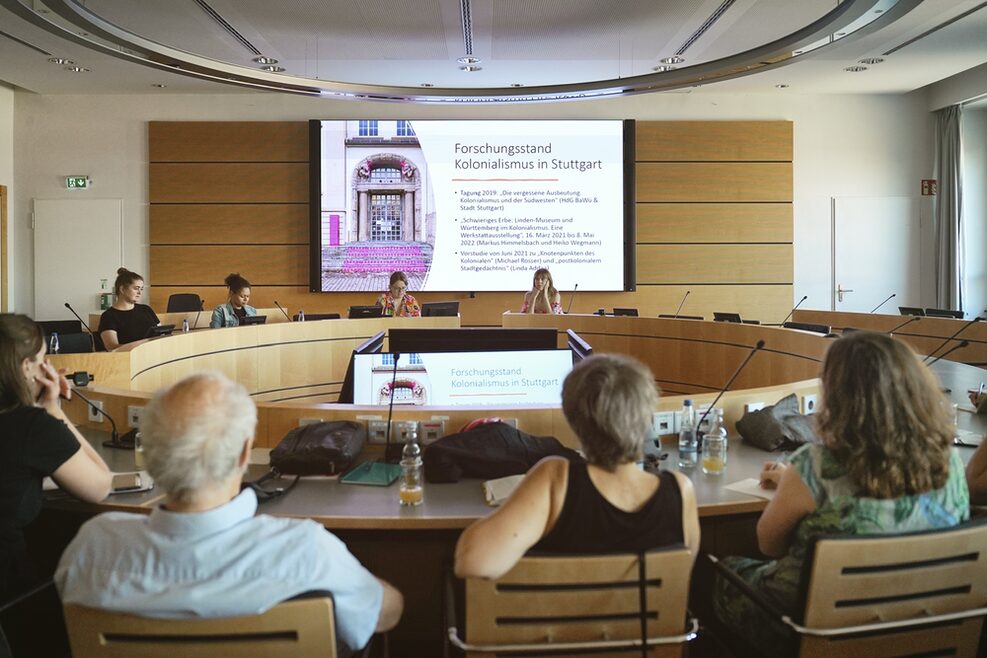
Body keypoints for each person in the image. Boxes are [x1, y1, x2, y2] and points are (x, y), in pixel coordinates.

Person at [55, 371, 402, 653]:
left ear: (151, 456)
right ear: (243, 456)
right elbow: (384, 615)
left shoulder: (90, 547)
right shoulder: (307, 551)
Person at [713, 331, 970, 656]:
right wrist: (793, 481)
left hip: (812, 628)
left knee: (722, 570)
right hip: (924, 623)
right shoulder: (950, 462)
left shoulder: (815, 467)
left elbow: (769, 544)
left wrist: (795, 480)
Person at [454, 353, 700, 580]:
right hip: (652, 627)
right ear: (646, 416)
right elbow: (679, 576)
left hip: (559, 628)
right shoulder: (680, 490)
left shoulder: (556, 479)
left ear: (573, 418)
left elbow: (472, 563)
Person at [0, 314, 112, 601]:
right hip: (11, 596)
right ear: (27, 368)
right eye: (43, 359)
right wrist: (53, 408)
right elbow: (101, 485)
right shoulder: (32, 426)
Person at [97, 268, 160, 351]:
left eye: (141, 289)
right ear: (122, 289)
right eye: (136, 288)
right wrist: (143, 345)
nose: (139, 293)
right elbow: (112, 347)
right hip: (127, 360)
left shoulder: (146, 309)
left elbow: (161, 334)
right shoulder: (108, 316)